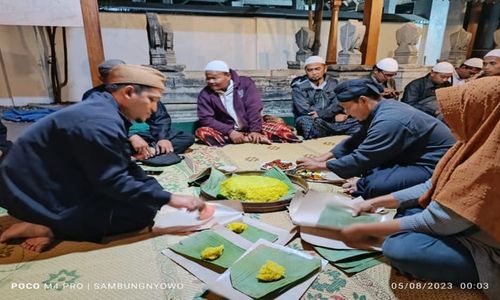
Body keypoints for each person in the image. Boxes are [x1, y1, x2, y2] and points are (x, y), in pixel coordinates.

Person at [0, 64, 206, 252]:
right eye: (151, 100)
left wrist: (161, 195)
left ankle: (53, 220)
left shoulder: (105, 106)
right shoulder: (100, 121)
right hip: (33, 190)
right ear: (128, 92)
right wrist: (172, 199)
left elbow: (124, 165)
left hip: (58, 176)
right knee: (138, 214)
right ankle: (46, 225)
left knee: (150, 188)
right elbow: (114, 182)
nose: (153, 108)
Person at [340, 77, 500, 298]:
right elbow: (432, 186)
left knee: (400, 249)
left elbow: (439, 220)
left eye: (458, 116)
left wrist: (365, 229)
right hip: (457, 221)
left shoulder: (492, 162)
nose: (449, 124)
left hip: (486, 245)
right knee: (410, 203)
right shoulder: (471, 144)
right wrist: (375, 202)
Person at [297, 78, 455, 199]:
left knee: (372, 185)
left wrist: (321, 166)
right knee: (367, 171)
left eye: (347, 108)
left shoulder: (390, 120)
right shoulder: (381, 108)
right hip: (409, 155)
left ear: (363, 100)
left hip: (434, 165)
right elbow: (358, 139)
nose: (348, 114)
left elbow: (363, 157)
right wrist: (323, 158)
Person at [83, 59, 195, 160]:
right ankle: (145, 153)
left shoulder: (139, 91)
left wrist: (162, 138)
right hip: (117, 137)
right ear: (102, 79)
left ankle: (148, 151)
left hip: (142, 135)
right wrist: (130, 136)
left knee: (185, 137)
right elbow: (100, 127)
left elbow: (159, 117)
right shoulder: (94, 97)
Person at [196, 60, 299, 146]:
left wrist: (255, 130)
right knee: (202, 132)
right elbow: (206, 119)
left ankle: (249, 137)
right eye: (208, 78)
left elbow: (253, 107)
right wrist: (230, 131)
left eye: (215, 78)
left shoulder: (245, 84)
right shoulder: (205, 94)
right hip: (228, 129)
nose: (211, 81)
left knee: (285, 132)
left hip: (250, 125)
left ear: (228, 76)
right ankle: (247, 139)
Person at [291, 56, 360, 139]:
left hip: (332, 119)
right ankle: (331, 132)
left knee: (357, 120)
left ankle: (328, 132)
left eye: (317, 69)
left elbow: (338, 104)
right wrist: (330, 116)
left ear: (325, 69)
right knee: (306, 122)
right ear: (306, 71)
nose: (314, 72)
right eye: (310, 70)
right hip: (315, 120)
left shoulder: (334, 84)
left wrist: (325, 114)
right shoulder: (298, 87)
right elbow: (306, 111)